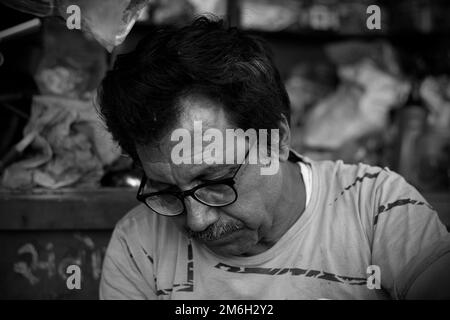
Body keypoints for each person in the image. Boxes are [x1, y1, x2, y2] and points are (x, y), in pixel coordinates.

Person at [97, 17, 450, 300]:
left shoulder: (376, 209)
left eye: (215, 181)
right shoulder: (139, 242)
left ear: (277, 139)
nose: (198, 220)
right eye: (167, 190)